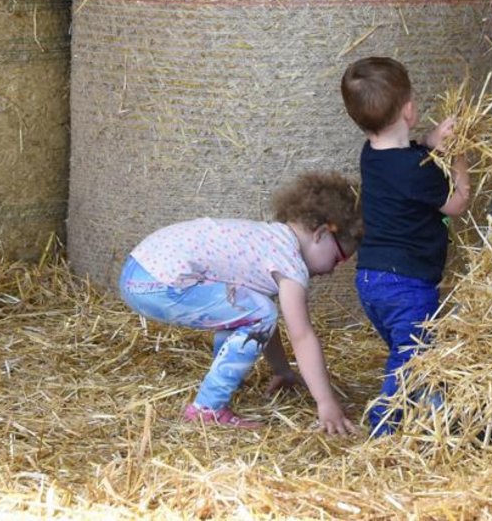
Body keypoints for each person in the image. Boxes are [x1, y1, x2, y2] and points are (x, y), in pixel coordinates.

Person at [118, 171, 363, 434]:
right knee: (261, 312)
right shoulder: (290, 263)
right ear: (322, 234)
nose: (332, 270)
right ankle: (207, 408)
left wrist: (282, 370)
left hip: (138, 270)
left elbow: (258, 319)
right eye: (339, 259)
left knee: (251, 309)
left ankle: (221, 381)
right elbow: (301, 336)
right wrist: (326, 402)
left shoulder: (270, 241)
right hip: (160, 282)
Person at [341, 56, 472, 435]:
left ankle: (415, 414)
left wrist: (431, 143)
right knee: (410, 361)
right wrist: (459, 155)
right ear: (410, 110)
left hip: (371, 281)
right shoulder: (419, 173)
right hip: (408, 287)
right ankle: (384, 429)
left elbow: (407, 153)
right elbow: (458, 203)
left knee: (410, 355)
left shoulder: (372, 156)